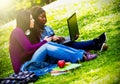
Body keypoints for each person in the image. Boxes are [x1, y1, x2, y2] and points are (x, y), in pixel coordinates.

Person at [9, 10, 97, 74]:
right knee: (46, 45)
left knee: (48, 44)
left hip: (31, 62)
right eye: (31, 19)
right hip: (24, 68)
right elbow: (28, 49)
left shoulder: (24, 32)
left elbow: (29, 50)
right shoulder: (17, 31)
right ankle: (81, 56)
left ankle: (83, 54)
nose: (33, 20)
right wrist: (44, 41)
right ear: (25, 20)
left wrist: (48, 40)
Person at [31, 6, 108, 52]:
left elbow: (55, 38)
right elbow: (41, 47)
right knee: (70, 45)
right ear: (35, 18)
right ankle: (96, 42)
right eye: (42, 17)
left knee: (70, 43)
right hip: (53, 51)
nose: (45, 19)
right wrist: (51, 39)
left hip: (59, 46)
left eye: (45, 16)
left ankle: (97, 46)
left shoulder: (47, 28)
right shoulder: (35, 32)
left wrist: (63, 38)